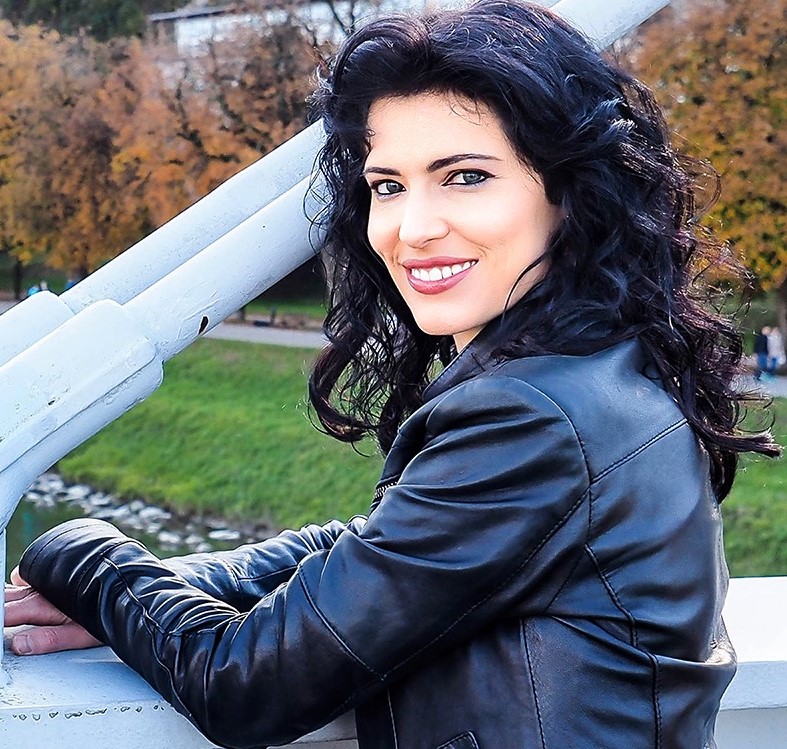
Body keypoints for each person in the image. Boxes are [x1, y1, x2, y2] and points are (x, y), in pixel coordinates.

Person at [4, 2, 780, 747]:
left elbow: (245, 684)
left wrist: (80, 552)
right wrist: (174, 582)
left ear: (569, 193)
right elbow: (378, 545)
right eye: (388, 185)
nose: (413, 227)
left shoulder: (535, 417)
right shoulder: (603, 370)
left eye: (465, 176)